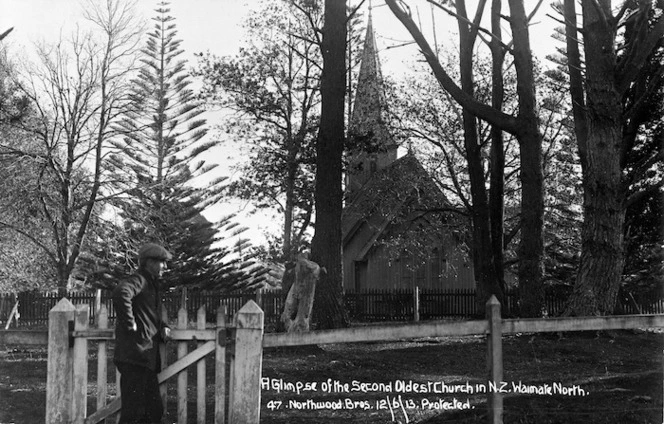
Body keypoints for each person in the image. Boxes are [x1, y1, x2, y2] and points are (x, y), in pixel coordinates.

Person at [112, 243, 173, 424]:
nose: (165, 267)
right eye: (162, 262)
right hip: (134, 358)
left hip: (144, 359)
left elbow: (150, 314)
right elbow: (121, 292)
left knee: (152, 412)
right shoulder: (140, 280)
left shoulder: (151, 285)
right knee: (134, 413)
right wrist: (130, 324)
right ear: (148, 263)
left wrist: (163, 326)